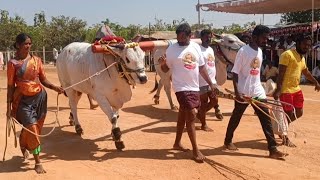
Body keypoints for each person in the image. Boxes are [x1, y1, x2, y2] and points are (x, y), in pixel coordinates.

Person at [223, 25, 287, 159]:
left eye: (266, 38)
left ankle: (273, 149)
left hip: (257, 91)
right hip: (244, 91)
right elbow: (235, 72)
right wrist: (237, 92)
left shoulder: (259, 51)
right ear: (254, 37)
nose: (265, 40)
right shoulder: (243, 51)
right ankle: (228, 141)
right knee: (236, 117)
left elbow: (256, 72)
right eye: (263, 38)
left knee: (266, 119)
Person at [6, 33, 64, 174]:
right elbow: (10, 86)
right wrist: (8, 107)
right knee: (32, 127)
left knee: (35, 129)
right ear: (18, 45)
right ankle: (38, 161)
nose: (28, 46)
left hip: (39, 98)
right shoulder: (12, 63)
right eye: (25, 43)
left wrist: (55, 87)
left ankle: (23, 143)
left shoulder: (37, 60)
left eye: (30, 43)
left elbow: (43, 80)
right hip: (22, 101)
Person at [159, 23, 216, 163]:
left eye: (183, 37)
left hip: (194, 87)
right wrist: (162, 63)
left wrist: (211, 83)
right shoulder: (172, 49)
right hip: (181, 88)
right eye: (178, 37)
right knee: (191, 115)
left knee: (183, 115)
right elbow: (166, 69)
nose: (180, 39)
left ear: (190, 36)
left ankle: (177, 143)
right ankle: (196, 150)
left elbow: (202, 68)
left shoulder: (196, 47)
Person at [273, 34, 320, 147]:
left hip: (296, 89)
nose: (307, 47)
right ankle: (284, 136)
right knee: (288, 113)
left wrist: (316, 82)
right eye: (304, 44)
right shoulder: (287, 54)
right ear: (298, 43)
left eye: (308, 45)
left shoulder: (302, 57)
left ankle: (282, 128)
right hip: (286, 90)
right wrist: (278, 89)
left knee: (299, 112)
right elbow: (281, 73)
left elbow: (306, 72)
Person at [197, 29, 223, 132]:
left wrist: (214, 81)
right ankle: (204, 124)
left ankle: (200, 114)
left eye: (210, 37)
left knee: (214, 101)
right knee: (203, 103)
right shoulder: (198, 50)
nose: (209, 39)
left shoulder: (211, 50)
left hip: (212, 82)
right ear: (202, 38)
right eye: (206, 37)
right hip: (202, 81)